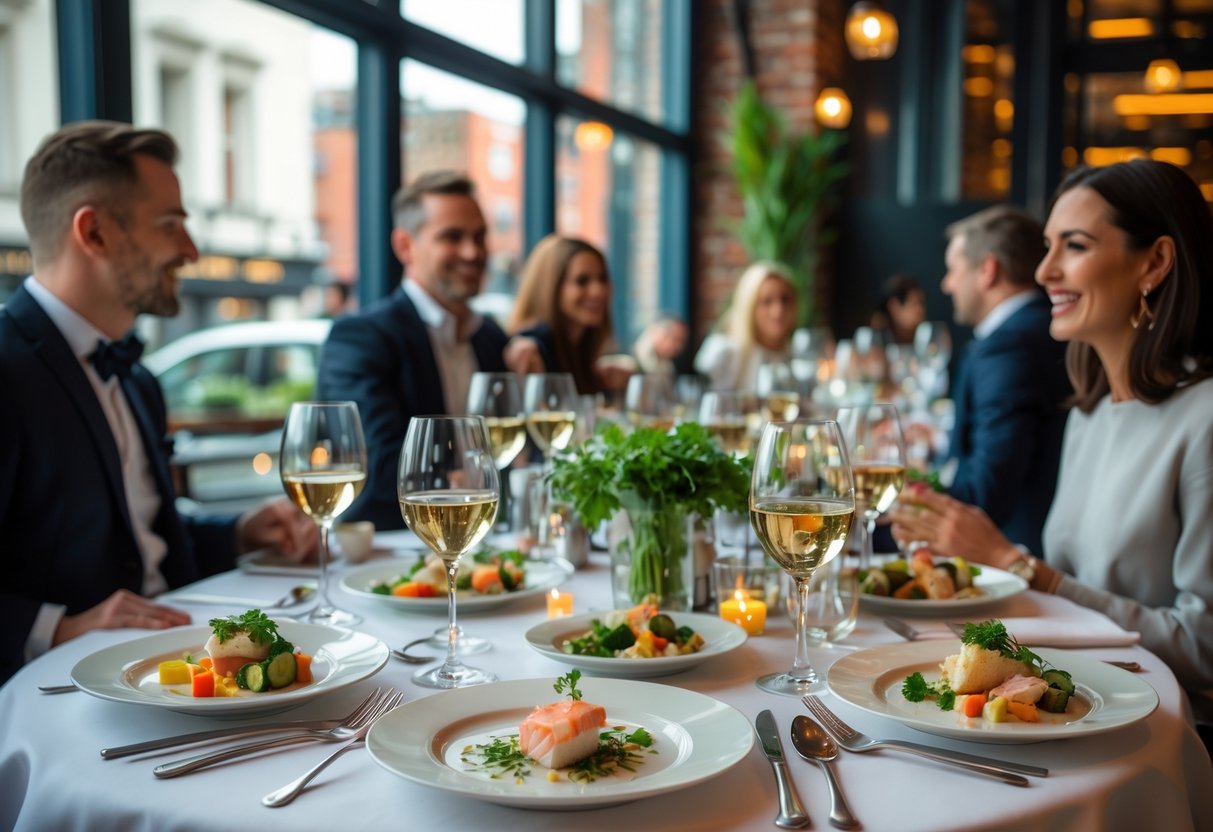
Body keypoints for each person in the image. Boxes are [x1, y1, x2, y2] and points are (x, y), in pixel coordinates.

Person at [0, 122, 316, 686]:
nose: (191, 251)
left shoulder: (138, 379)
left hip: (170, 667)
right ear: (94, 233)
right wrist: (59, 627)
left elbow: (139, 538)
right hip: (57, 687)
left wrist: (242, 531)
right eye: (171, 225)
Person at [890, 159, 1213, 697]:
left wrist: (1015, 564)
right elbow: (1063, 599)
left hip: (1165, 723)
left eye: (1076, 246)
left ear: (1154, 262)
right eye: (1048, 245)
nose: (1044, 272)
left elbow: (1204, 648)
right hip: (1071, 703)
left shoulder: (1203, 419)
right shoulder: (1088, 412)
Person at [316, 170, 510, 530]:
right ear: (405, 246)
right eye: (452, 237)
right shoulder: (360, 337)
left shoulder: (491, 338)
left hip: (484, 552)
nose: (473, 252)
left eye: (479, 237)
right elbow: (380, 472)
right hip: (390, 559)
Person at [936, 204, 1071, 556]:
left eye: (953, 270)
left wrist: (873, 517)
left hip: (1017, 557)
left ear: (988, 270)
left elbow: (984, 497)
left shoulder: (1008, 347)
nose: (947, 284)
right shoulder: (1045, 327)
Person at [505, 234, 627, 395]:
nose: (598, 291)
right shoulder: (532, 349)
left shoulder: (583, 348)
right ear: (550, 288)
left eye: (603, 279)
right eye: (582, 281)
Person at [694, 260, 797, 391]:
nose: (778, 311)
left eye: (785, 299)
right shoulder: (724, 353)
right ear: (749, 306)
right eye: (767, 301)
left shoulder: (798, 356)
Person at [870, 273, 926, 345]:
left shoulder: (925, 339)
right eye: (914, 304)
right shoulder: (875, 343)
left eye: (922, 303)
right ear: (894, 307)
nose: (920, 310)